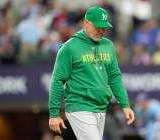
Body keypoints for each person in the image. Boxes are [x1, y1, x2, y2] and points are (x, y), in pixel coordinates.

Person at [49, 6, 135, 140]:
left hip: (101, 108)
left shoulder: (108, 45)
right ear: (86, 23)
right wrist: (54, 114)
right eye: (98, 26)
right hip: (79, 106)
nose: (101, 30)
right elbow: (57, 80)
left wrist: (125, 105)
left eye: (104, 27)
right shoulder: (70, 47)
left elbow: (114, 76)